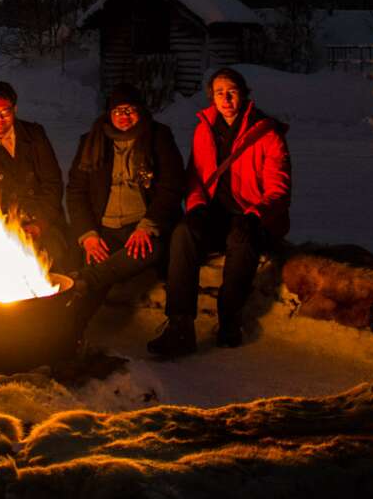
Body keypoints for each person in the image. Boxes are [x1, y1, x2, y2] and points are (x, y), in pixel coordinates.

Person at [148, 67, 291, 358]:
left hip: (253, 216)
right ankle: (180, 324)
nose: (225, 99)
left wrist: (255, 215)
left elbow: (279, 190)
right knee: (183, 233)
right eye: (218, 93)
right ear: (211, 98)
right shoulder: (205, 128)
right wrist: (197, 207)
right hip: (216, 212)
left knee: (241, 242)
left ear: (244, 94)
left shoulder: (267, 133)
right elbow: (196, 177)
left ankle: (229, 319)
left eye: (231, 92)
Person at [66, 83, 185, 334]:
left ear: (140, 111)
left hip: (141, 225)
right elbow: (76, 192)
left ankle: (87, 279)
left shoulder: (158, 137)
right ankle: (68, 333)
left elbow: (171, 187)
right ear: (109, 113)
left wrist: (148, 225)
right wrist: (87, 234)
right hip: (103, 227)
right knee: (93, 255)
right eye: (118, 110)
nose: (124, 116)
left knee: (147, 251)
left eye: (130, 109)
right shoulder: (93, 141)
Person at [0, 81, 69, 271]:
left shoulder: (34, 135)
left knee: (53, 259)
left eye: (5, 112)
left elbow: (53, 183)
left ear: (14, 110)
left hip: (39, 219)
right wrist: (2, 228)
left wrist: (39, 223)